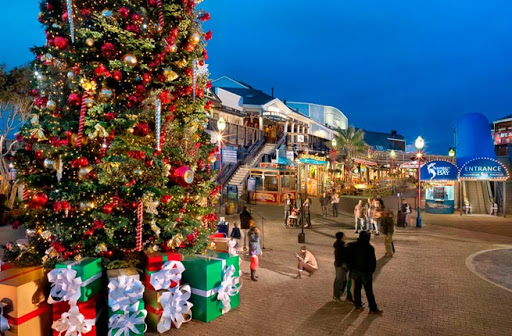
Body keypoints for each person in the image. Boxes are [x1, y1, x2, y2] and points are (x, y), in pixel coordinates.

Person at [347, 231, 383, 314]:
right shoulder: (369, 248)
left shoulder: (353, 246)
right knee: (369, 291)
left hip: (355, 271)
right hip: (366, 273)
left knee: (357, 289)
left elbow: (350, 258)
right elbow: (373, 261)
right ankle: (373, 307)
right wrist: (371, 270)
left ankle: (358, 305)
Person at [333, 232, 349, 302]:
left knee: (343, 280)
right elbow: (341, 256)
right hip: (341, 265)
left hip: (339, 264)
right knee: (339, 280)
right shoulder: (341, 246)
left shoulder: (339, 245)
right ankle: (336, 296)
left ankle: (339, 294)